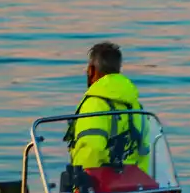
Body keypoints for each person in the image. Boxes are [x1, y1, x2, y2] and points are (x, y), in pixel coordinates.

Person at [64, 42, 150, 181]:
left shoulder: (94, 104)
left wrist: (80, 185)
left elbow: (91, 149)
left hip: (102, 191)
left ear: (91, 70)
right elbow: (143, 151)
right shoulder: (135, 105)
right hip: (135, 188)